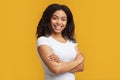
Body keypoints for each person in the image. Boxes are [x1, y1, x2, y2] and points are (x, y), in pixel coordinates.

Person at [36, 3, 84, 80]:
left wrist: (61, 64)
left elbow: (81, 67)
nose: (59, 22)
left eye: (63, 19)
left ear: (67, 22)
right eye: (55, 18)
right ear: (48, 19)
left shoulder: (71, 40)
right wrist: (79, 60)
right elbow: (56, 69)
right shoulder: (43, 40)